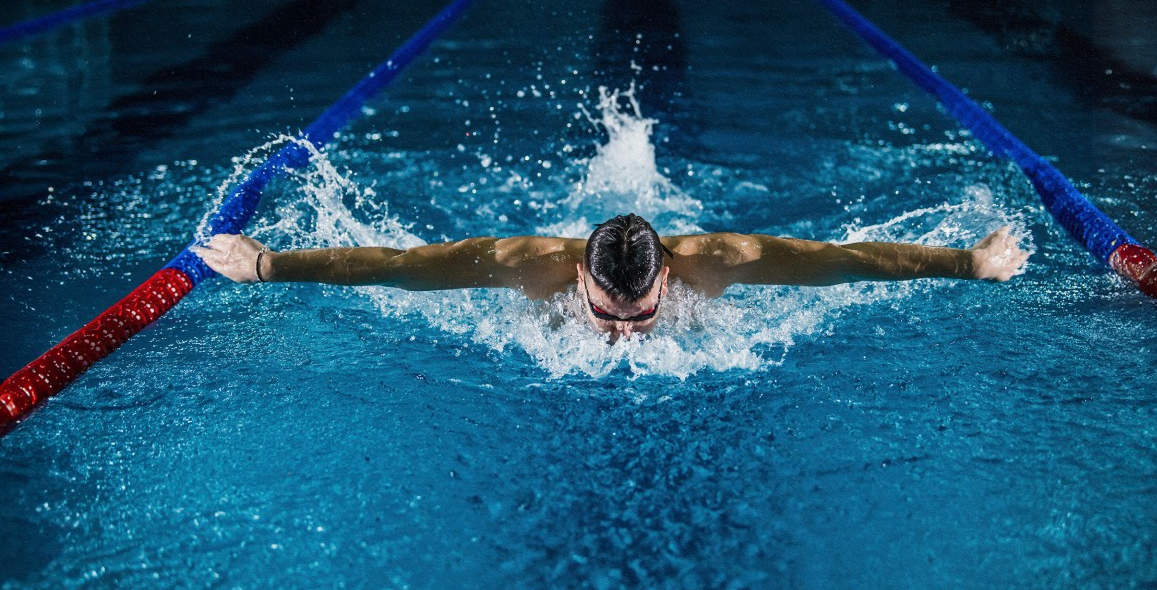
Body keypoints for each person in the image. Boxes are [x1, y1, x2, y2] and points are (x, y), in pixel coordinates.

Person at [193, 213, 1030, 340]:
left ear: (669, 273)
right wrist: (267, 264)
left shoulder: (723, 260)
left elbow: (846, 263)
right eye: (606, 313)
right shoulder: (527, 267)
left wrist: (970, 262)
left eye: (638, 317)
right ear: (579, 279)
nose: (621, 336)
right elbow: (403, 269)